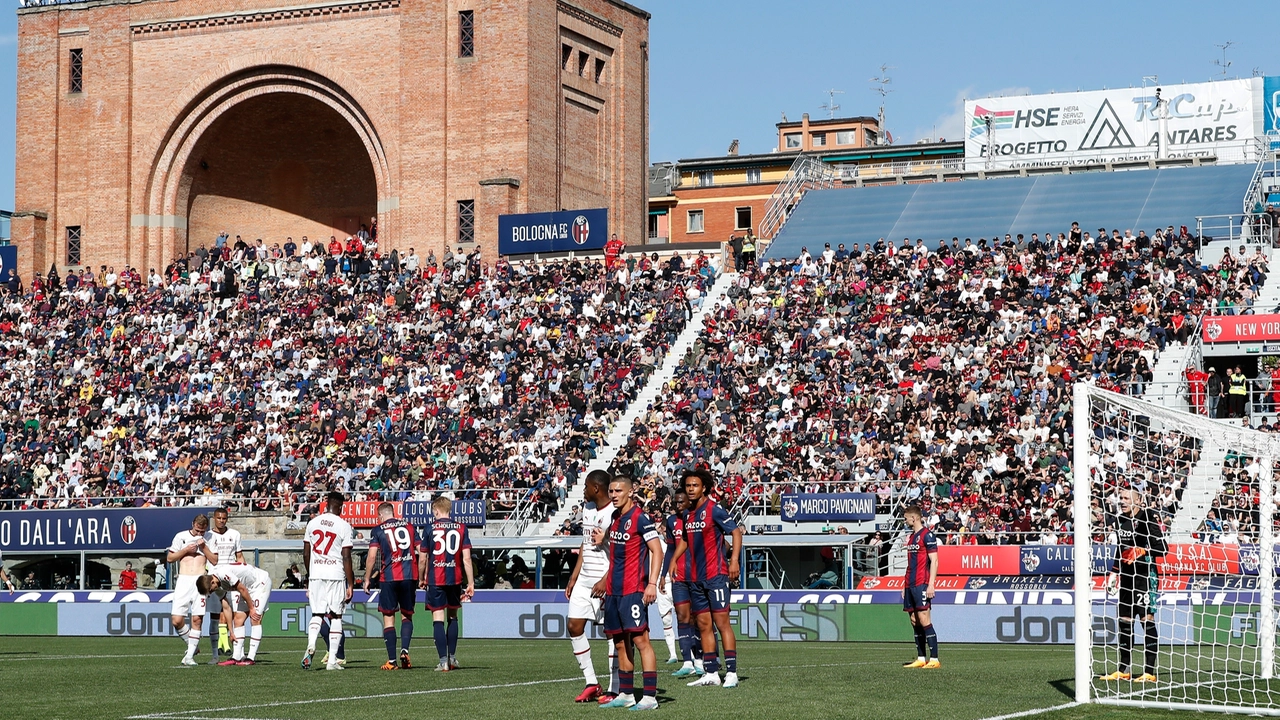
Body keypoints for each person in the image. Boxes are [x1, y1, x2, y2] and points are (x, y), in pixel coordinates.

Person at [591, 475, 662, 711]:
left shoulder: (641, 518)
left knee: (641, 640)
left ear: (631, 492)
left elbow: (657, 551)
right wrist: (604, 539)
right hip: (613, 590)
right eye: (611, 491)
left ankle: (650, 697)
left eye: (618, 491)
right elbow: (616, 541)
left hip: (634, 589)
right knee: (620, 643)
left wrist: (651, 584)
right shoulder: (615, 517)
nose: (613, 495)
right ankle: (627, 693)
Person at [671, 468, 742, 688]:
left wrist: (734, 560)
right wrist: (674, 559)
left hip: (716, 576)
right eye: (688, 486)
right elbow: (684, 539)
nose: (691, 489)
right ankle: (711, 672)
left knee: (722, 623)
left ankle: (731, 672)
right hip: (694, 577)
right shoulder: (687, 514)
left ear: (704, 488)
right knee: (703, 625)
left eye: (695, 486)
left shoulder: (714, 510)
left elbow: (736, 532)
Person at [1100, 489, 1168, 683]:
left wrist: (1141, 550)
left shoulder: (1147, 517)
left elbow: (1163, 548)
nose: (1121, 502)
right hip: (1127, 579)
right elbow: (1120, 550)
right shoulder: (1120, 520)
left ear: (1138, 501)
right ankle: (1123, 669)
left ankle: (1149, 671)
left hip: (1145, 577)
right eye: (1120, 498)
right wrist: (1113, 572)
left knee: (1146, 620)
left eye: (1126, 498)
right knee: (1124, 622)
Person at [564, 470, 620, 703]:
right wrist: (574, 576)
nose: (584, 491)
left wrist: (606, 579)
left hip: (606, 579)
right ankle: (591, 682)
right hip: (585, 578)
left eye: (586, 486)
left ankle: (614, 687)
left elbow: (620, 552)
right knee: (574, 626)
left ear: (596, 488)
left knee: (612, 633)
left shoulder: (614, 514)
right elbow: (585, 543)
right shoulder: (587, 510)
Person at [419, 495, 475, 672]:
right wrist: (471, 582)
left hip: (436, 579)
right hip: (454, 578)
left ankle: (443, 661)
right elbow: (467, 559)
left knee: (438, 618)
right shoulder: (461, 528)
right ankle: (452, 658)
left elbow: (422, 558)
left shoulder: (429, 528)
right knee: (453, 616)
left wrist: (421, 578)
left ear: (436, 510)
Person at [303, 491, 355, 671]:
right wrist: (351, 583)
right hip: (335, 574)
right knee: (336, 616)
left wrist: (311, 574)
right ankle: (332, 660)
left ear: (326, 504)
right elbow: (346, 557)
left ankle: (310, 645)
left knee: (317, 614)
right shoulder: (344, 526)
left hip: (316, 574)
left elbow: (306, 553)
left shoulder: (312, 523)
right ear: (340, 506)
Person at [364, 502, 419, 670]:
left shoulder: (378, 530)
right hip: (410, 575)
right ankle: (405, 650)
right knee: (406, 616)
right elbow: (421, 549)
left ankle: (392, 660)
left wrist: (367, 578)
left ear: (380, 516)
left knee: (389, 618)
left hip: (388, 577)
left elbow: (372, 557)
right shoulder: (409, 526)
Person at [166, 513, 219, 666]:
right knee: (176, 620)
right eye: (197, 530)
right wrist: (186, 550)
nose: (200, 533)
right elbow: (170, 558)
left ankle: (189, 656)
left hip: (201, 579)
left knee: (197, 619)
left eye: (203, 531)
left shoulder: (210, 537)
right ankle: (192, 645)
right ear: (193, 525)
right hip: (183, 579)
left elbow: (214, 560)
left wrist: (203, 546)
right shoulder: (181, 536)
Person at [197, 562, 272, 665]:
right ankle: (236, 657)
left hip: (259, 583)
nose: (212, 592)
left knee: (255, 618)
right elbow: (226, 608)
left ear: (212, 582)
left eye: (210, 590)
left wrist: (251, 608)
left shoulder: (223, 574)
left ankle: (250, 658)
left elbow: (242, 588)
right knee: (238, 619)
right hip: (246, 588)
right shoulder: (217, 587)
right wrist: (231, 632)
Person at [661, 489, 698, 676]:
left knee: (699, 618)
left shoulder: (696, 518)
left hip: (698, 574)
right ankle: (687, 663)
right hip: (678, 576)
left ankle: (706, 659)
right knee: (682, 617)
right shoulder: (671, 521)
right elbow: (670, 549)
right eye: (676, 503)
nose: (678, 506)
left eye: (682, 502)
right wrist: (663, 574)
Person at [901, 505, 941, 669]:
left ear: (914, 518)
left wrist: (931, 584)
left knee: (924, 619)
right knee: (914, 620)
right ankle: (921, 657)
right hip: (910, 583)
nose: (905, 521)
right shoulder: (911, 537)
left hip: (921, 583)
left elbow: (935, 561)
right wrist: (904, 585)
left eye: (906, 518)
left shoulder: (927, 535)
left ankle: (935, 660)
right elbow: (910, 563)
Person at [205, 507, 244, 664]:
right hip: (214, 580)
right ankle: (215, 655)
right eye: (219, 518)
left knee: (236, 616)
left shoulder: (234, 534)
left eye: (224, 518)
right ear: (214, 518)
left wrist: (242, 572)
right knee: (214, 617)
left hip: (231, 579)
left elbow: (239, 556)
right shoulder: (207, 535)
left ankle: (237, 652)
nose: (221, 521)